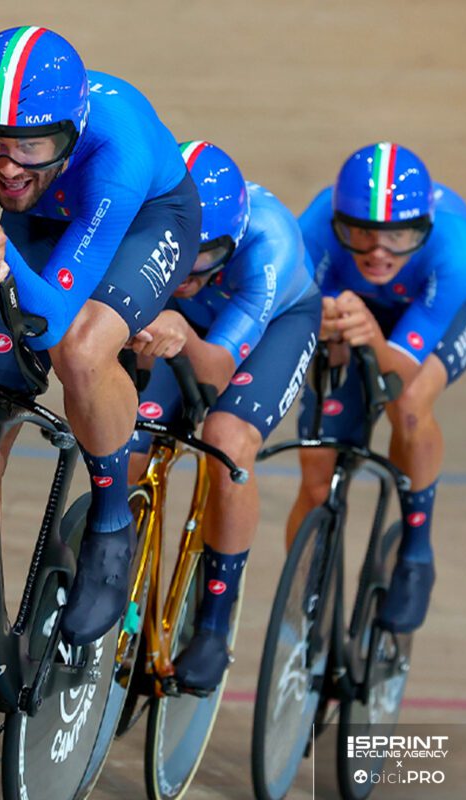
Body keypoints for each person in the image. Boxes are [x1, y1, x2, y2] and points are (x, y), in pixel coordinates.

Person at [0, 26, 202, 646]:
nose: (6, 166)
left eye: (31, 146)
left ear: (70, 135)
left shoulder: (118, 148)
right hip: (39, 221)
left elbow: (48, 324)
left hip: (138, 221)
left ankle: (111, 519)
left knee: (81, 350)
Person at [128, 141, 322, 691]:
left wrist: (181, 331)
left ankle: (214, 623)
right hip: (183, 321)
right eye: (178, 252)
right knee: (129, 438)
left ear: (231, 243)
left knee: (226, 439)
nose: (184, 272)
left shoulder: (270, 242)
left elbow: (213, 374)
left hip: (271, 330)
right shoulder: (143, 214)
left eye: (204, 256)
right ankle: (119, 583)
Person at [287, 142, 466, 633]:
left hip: (438, 312)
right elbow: (293, 318)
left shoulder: (455, 249)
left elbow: (399, 376)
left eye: (397, 237)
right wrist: (322, 326)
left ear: (423, 230)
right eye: (362, 234)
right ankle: (302, 604)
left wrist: (369, 335)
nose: (378, 252)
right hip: (353, 309)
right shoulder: (314, 229)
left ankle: (416, 551)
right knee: (317, 467)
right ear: (339, 223)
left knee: (409, 405)